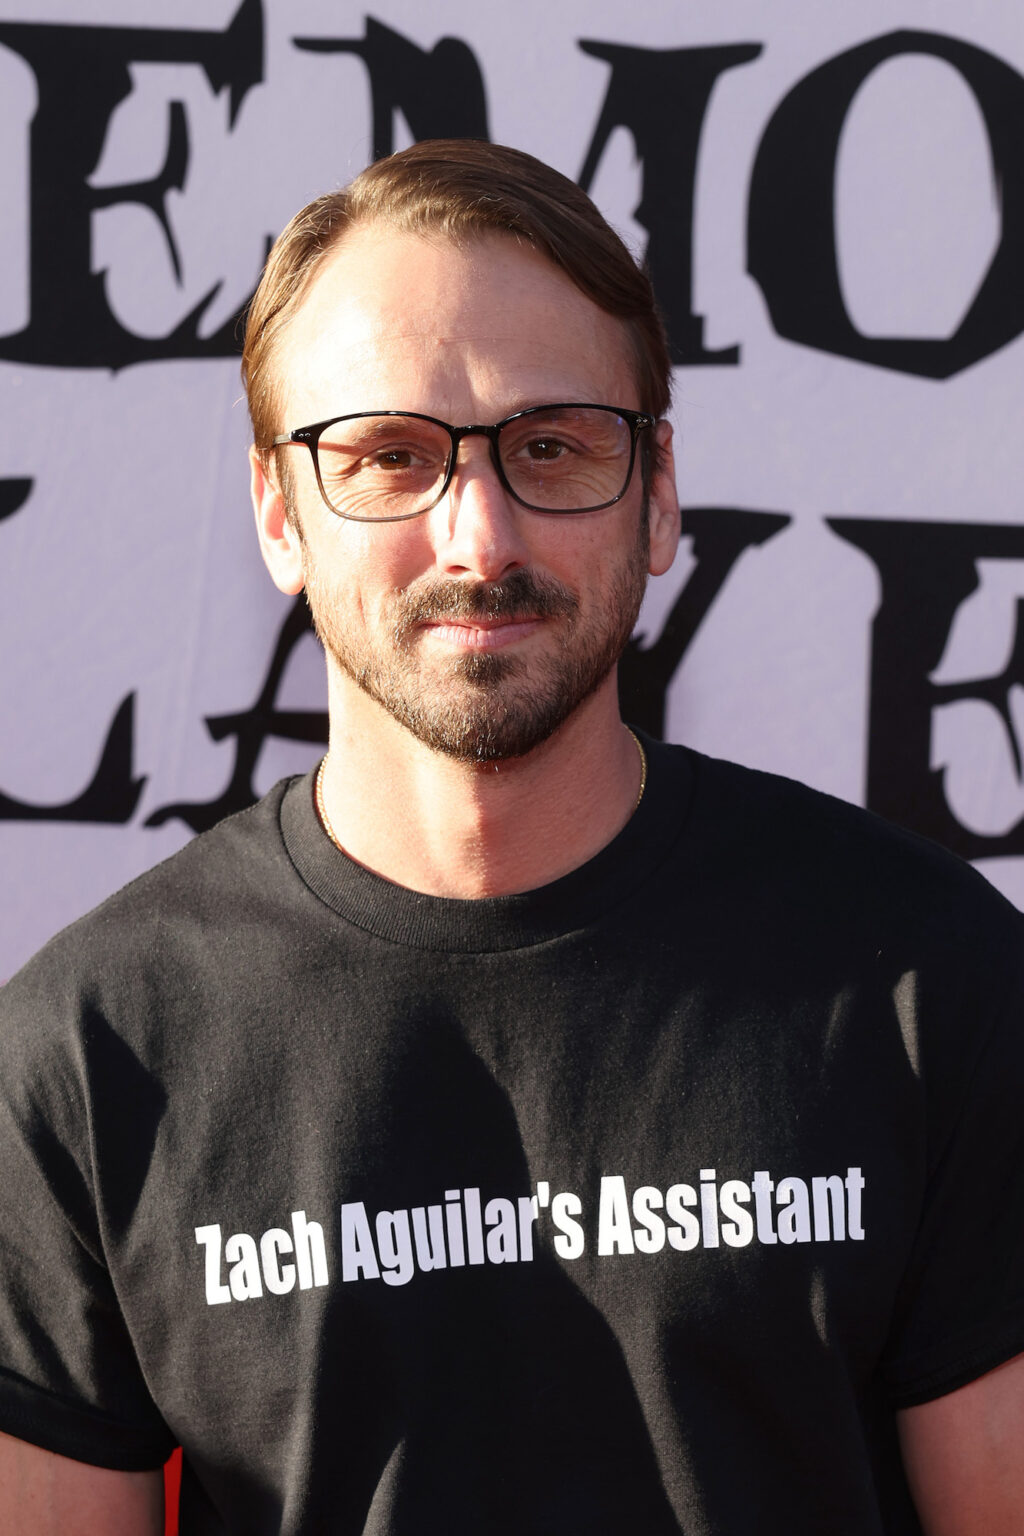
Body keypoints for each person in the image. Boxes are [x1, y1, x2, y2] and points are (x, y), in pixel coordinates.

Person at [0, 139, 1021, 1536]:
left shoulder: (933, 977)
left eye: (553, 446)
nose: (478, 535)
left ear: (657, 492)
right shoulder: (88, 1049)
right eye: (387, 457)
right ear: (277, 512)